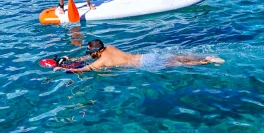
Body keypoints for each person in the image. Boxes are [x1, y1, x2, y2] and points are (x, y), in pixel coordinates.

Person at [54, 39, 225, 73]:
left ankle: (206, 62)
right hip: (146, 57)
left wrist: (62, 68)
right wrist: (72, 60)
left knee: (179, 64)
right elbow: (88, 59)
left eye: (90, 51)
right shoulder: (110, 47)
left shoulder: (102, 62)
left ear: (96, 52)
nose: (89, 54)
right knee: (177, 57)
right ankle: (204, 56)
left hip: (145, 66)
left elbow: (84, 69)